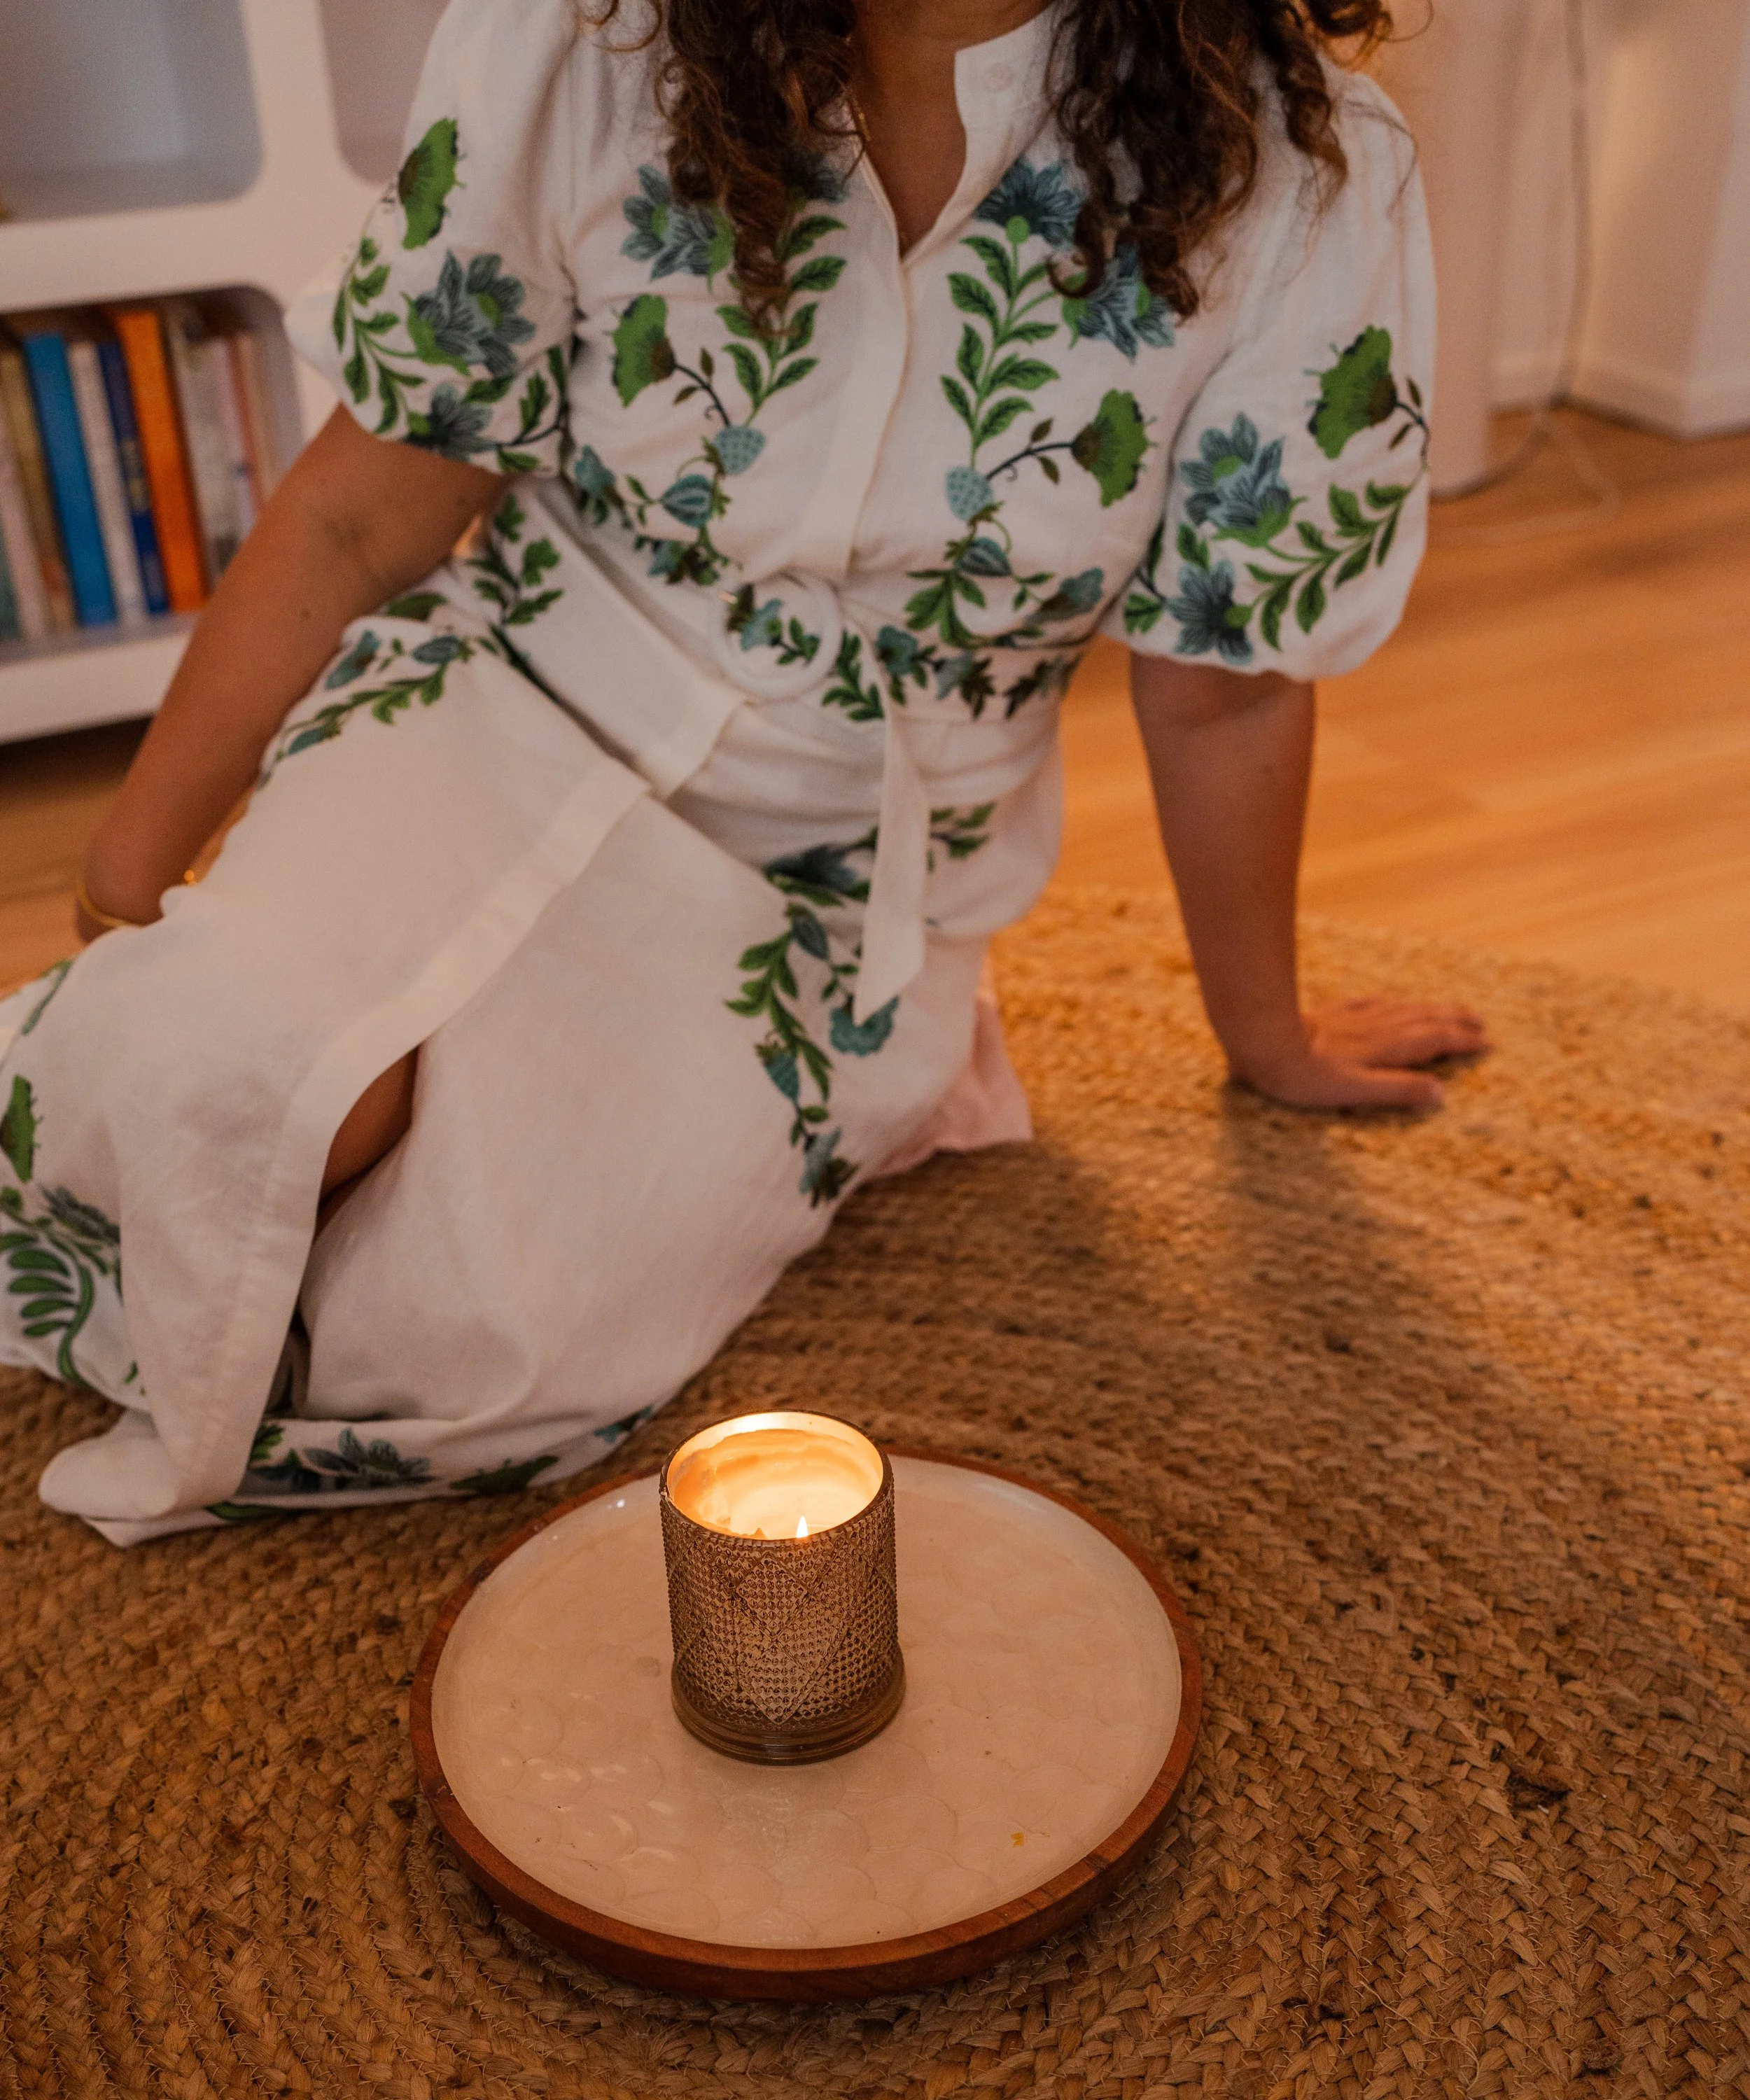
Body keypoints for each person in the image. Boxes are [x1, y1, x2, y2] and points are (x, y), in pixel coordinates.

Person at [0, 0, 1483, 1544]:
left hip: (826, 882)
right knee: (210, 1071)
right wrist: (128, 880)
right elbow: (362, 510)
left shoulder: (1307, 176)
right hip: (498, 700)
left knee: (470, 1345)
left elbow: (1223, 694)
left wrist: (1266, 1037)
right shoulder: (583, 34)